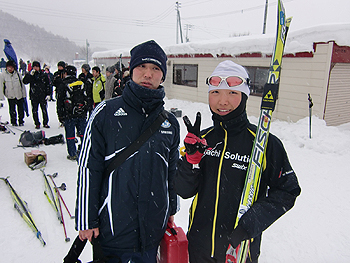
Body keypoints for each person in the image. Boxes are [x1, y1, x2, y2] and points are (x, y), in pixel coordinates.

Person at [175, 60, 301, 263]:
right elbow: (183, 190)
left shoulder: (264, 143)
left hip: (239, 251)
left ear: (244, 96)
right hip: (198, 248)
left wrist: (251, 223)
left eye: (232, 93)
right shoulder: (203, 140)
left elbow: (288, 191)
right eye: (215, 92)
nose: (222, 101)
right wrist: (191, 161)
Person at [75, 40, 180, 263]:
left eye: (155, 69)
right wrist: (86, 217)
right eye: (142, 67)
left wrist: (171, 208)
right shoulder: (106, 113)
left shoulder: (170, 123)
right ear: (131, 70)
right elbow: (88, 167)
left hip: (153, 232)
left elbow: (172, 171)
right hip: (113, 231)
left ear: (163, 76)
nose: (148, 74)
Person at [56, 65, 93, 161]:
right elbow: (88, 97)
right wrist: (87, 109)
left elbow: (59, 101)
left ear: (66, 73)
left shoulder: (63, 84)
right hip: (81, 113)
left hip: (69, 114)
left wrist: (60, 115)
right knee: (83, 134)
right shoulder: (81, 83)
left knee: (70, 135)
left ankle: (72, 153)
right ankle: (85, 151)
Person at [23, 61, 51, 129]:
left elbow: (48, 84)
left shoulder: (43, 75)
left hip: (42, 95)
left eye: (37, 67)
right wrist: (29, 74)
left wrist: (48, 94)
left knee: (44, 109)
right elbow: (25, 82)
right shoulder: (31, 75)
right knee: (35, 110)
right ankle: (37, 123)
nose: (35, 68)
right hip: (34, 95)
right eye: (34, 67)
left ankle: (45, 122)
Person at [0, 60, 26, 126]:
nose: (10, 69)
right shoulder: (3, 75)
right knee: (12, 110)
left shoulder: (18, 74)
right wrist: (2, 96)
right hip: (10, 95)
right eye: (8, 67)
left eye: (11, 67)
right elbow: (1, 86)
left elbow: (22, 85)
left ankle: (21, 120)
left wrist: (24, 94)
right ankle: (13, 121)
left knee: (21, 109)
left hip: (19, 94)